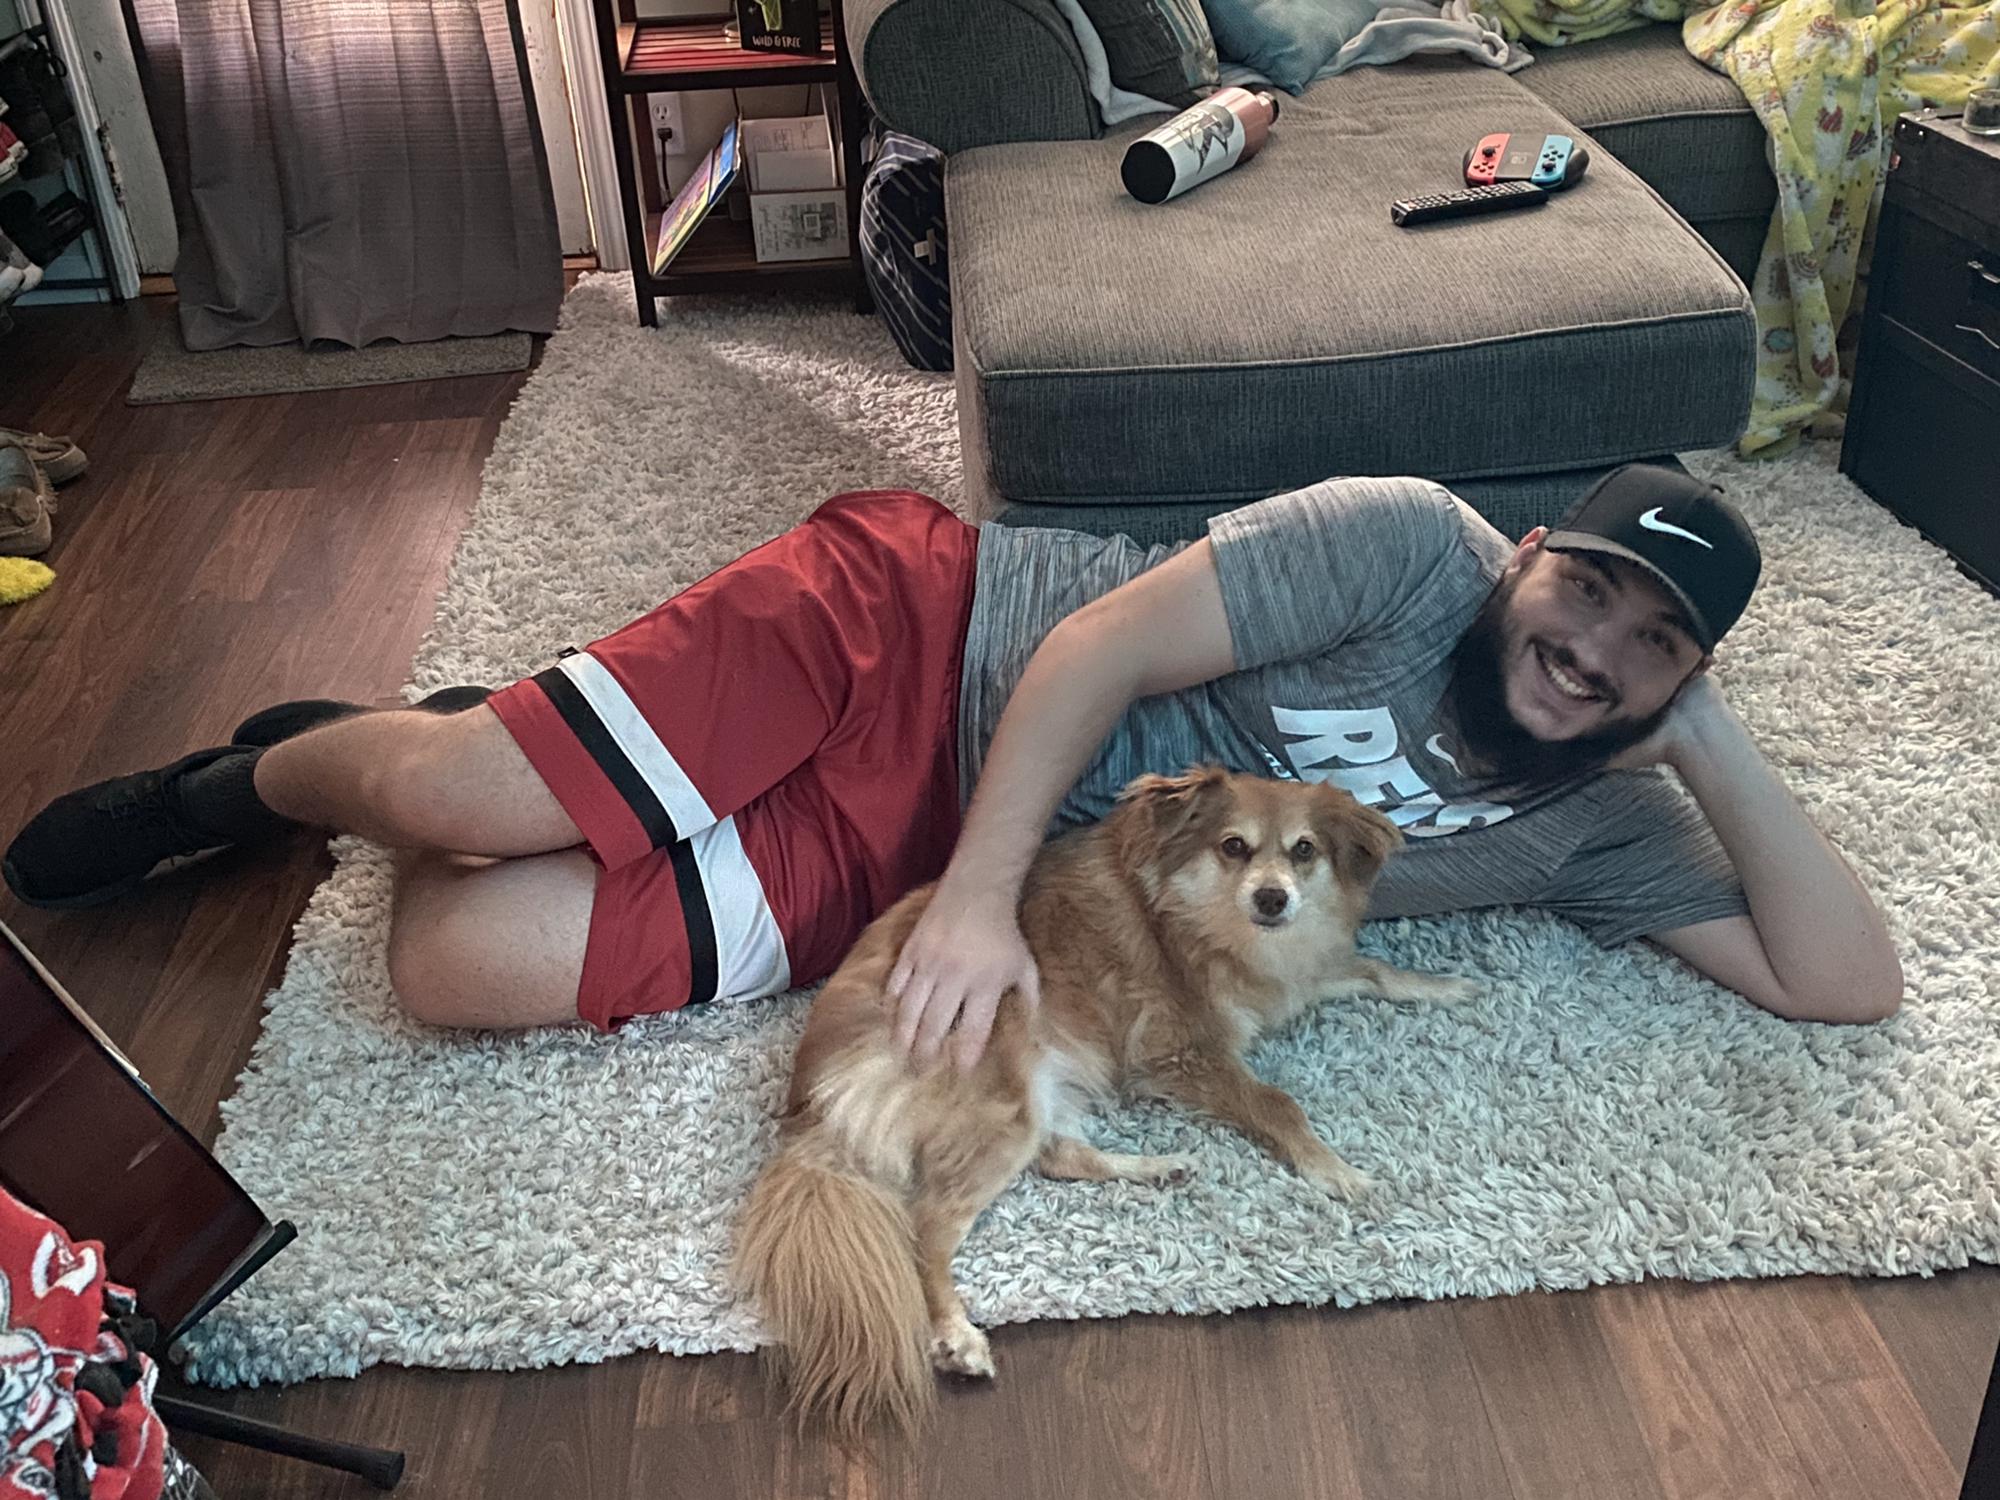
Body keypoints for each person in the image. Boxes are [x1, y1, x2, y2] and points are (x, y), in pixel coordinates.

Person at [3, 465, 1903, 1064]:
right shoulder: (1409, 544)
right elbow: (1095, 649)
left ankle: (512, 735)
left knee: (455, 961)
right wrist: (984, 908)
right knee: (449, 809)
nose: (1596, 653)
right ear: (1528, 557)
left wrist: (1704, 731)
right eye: (1588, 591)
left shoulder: (1594, 819)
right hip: (919, 631)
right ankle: (248, 787)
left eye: (1657, 646)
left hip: (905, 842)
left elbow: (1843, 983)